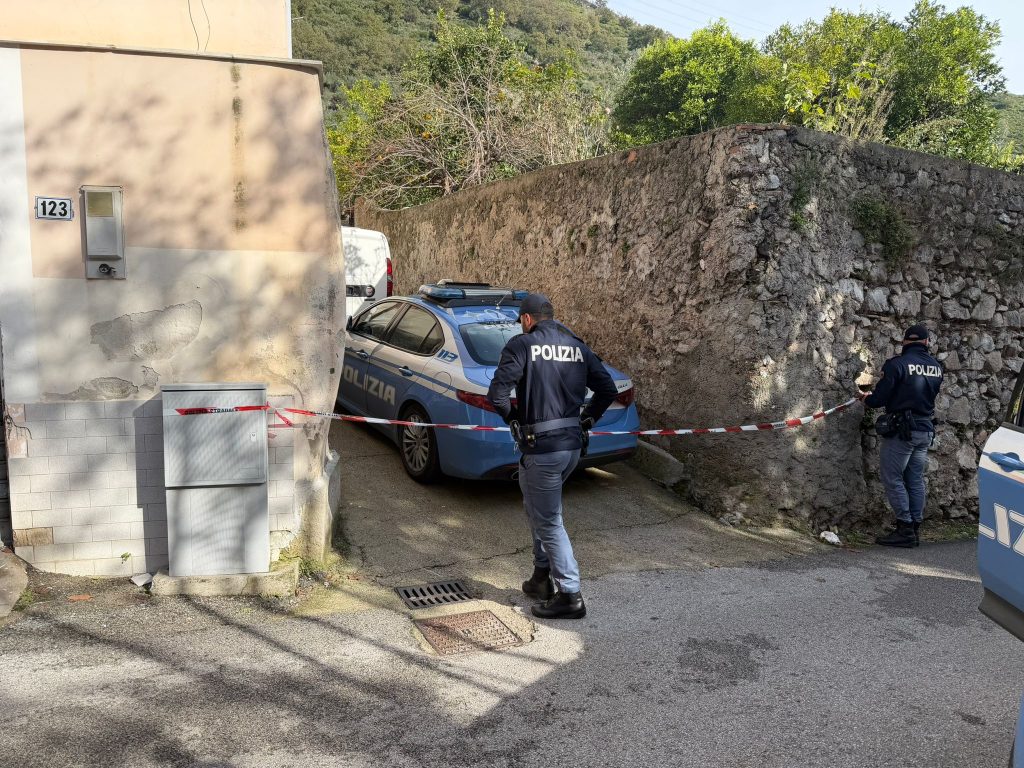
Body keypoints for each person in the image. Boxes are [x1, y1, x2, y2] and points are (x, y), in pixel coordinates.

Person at [487, 293, 618, 619]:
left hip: (542, 449)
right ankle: (540, 579)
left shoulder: (521, 345)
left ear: (528, 319)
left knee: (547, 520)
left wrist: (512, 419)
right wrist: (587, 419)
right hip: (572, 447)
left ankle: (570, 595)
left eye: (521, 320)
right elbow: (608, 390)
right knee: (537, 509)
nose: (522, 325)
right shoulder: (577, 346)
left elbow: (497, 394)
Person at [859, 323, 944, 548]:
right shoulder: (936, 367)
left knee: (893, 477)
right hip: (925, 430)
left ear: (905, 341)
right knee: (915, 479)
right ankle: (914, 527)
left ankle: (904, 528)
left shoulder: (897, 365)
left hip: (903, 432)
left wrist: (865, 398)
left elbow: (879, 399)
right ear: (926, 342)